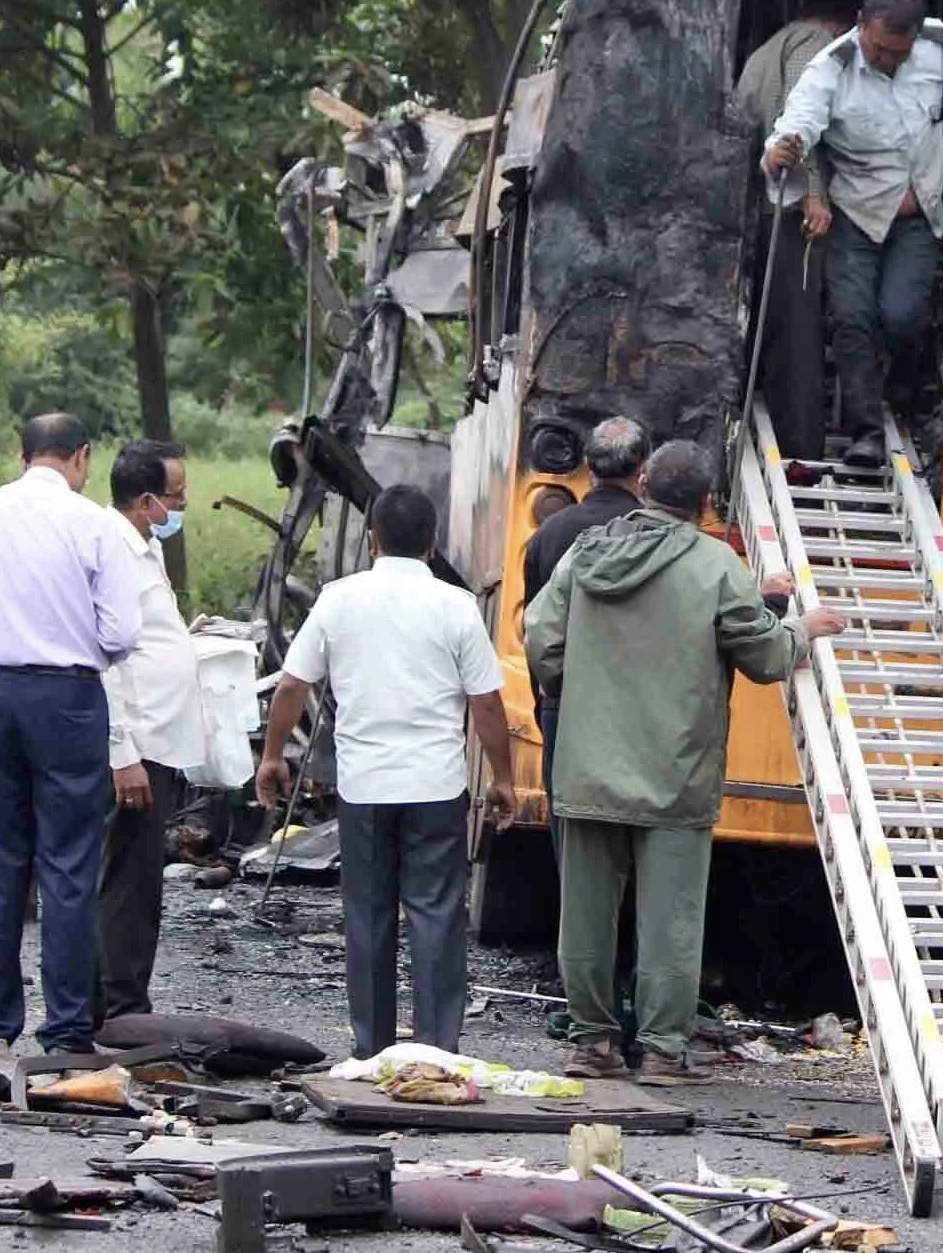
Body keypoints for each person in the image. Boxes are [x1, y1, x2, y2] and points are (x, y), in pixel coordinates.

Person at [524, 441, 846, 1083]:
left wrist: (576, 693)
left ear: (643, 483)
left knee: (585, 915)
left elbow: (539, 638)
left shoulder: (589, 553)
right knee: (670, 921)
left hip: (588, 765)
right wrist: (802, 629)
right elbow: (765, 658)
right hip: (677, 773)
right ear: (707, 503)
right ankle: (664, 1052)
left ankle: (592, 1045)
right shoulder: (716, 566)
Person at [257, 484, 515, 1059]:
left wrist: (273, 756)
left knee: (368, 917)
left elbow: (293, 685)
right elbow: (488, 704)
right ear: (431, 545)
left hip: (366, 787)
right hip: (435, 785)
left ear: (372, 540)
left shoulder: (338, 599)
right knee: (435, 916)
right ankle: (437, 1052)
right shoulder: (455, 606)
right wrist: (503, 777)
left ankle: (372, 1051)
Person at [0, 414, 141, 1055]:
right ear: (80, 457)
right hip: (68, 700)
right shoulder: (96, 524)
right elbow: (121, 635)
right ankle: (67, 1030)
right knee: (69, 866)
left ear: (22, 456)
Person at [765, 0, 943, 468]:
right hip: (855, 214)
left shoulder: (941, 50)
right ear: (862, 24)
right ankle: (864, 432)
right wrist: (782, 152)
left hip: (918, 214)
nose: (886, 60)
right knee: (852, 318)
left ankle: (901, 398)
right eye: (879, 49)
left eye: (898, 54)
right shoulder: (831, 67)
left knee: (900, 316)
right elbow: (797, 123)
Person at [96, 440, 204, 1024]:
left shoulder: (145, 546)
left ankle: (111, 1001)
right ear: (145, 502)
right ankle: (119, 1007)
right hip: (135, 743)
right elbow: (104, 660)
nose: (182, 504)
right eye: (176, 496)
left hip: (157, 737)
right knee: (127, 882)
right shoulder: (112, 552)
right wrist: (123, 753)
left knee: (137, 879)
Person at [522, 416, 650, 855]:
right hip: (641, 714)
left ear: (589, 468)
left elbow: (535, 632)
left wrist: (547, 705)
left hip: (567, 706)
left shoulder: (548, 536)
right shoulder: (663, 539)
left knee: (575, 855)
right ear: (642, 471)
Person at [734, 10, 848, 458]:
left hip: (760, 209)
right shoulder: (815, 41)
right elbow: (799, 122)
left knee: (776, 327)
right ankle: (803, 447)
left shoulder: (765, 52)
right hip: (789, 209)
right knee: (799, 336)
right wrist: (813, 194)